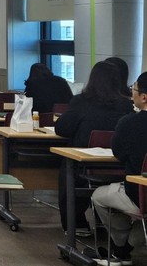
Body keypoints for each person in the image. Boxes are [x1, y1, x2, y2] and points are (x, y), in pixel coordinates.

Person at [54, 61, 134, 236]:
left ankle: (76, 224)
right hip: (118, 166)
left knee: (66, 168)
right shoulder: (126, 105)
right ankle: (104, 224)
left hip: (83, 165)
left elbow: (62, 129)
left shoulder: (81, 102)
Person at [91, 72, 147, 266]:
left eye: (134, 89)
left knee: (98, 196)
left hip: (138, 193)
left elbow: (119, 153)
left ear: (144, 97)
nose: (132, 92)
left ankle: (120, 246)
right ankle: (126, 247)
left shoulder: (130, 122)